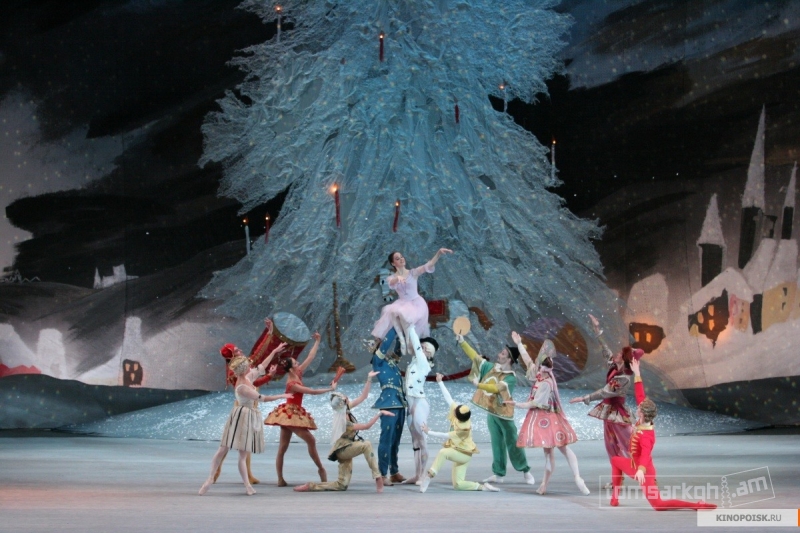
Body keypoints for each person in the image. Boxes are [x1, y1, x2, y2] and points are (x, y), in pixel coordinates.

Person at [609, 359, 716, 510]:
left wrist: (641, 470)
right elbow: (640, 395)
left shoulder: (646, 436)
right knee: (615, 460)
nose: (637, 408)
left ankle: (696, 505)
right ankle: (614, 498)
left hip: (644, 471)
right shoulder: (643, 421)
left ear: (643, 414)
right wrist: (637, 373)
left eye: (639, 409)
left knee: (658, 505)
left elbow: (645, 454)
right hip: (633, 466)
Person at [198, 349, 293, 496]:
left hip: (246, 415)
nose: (250, 366)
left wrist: (274, 351)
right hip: (242, 416)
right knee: (229, 450)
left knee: (235, 453)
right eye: (248, 365)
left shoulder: (247, 377)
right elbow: (262, 398)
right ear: (244, 369)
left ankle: (246, 485)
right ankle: (211, 478)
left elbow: (261, 367)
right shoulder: (242, 386)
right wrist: (282, 395)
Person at [506, 335, 589, 495]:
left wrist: (516, 404)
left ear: (543, 368)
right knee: (550, 452)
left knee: (560, 449)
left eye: (538, 365)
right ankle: (545, 484)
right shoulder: (540, 376)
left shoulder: (546, 383)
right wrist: (520, 344)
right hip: (544, 418)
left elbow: (534, 403)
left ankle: (577, 477)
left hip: (548, 419)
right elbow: (527, 360)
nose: (535, 366)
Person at [294, 371, 392, 493]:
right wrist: (380, 413)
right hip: (343, 450)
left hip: (347, 446)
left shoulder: (345, 409)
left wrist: (369, 378)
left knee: (341, 485)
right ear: (343, 402)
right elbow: (366, 426)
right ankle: (378, 477)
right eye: (344, 397)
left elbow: (363, 396)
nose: (346, 397)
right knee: (366, 445)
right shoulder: (344, 421)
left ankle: (311, 486)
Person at [458, 332, 534, 485]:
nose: (499, 354)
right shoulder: (492, 368)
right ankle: (498, 473)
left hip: (504, 415)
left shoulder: (510, 377)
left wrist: (479, 385)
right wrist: (462, 342)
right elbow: (475, 357)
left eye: (503, 353)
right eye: (501, 352)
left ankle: (525, 470)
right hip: (492, 413)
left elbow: (496, 388)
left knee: (513, 443)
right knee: (496, 443)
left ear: (509, 359)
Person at [264, 332, 337, 486]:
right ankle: (321, 469)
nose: (298, 364)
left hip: (291, 412)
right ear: (291, 369)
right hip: (291, 414)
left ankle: (280, 479)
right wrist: (330, 389)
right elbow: (311, 392)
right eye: (296, 363)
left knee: (283, 447)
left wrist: (317, 341)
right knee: (310, 440)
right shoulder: (292, 384)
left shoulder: (297, 373)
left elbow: (310, 357)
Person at [215, 318, 280, 485]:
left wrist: (269, 333)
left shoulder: (242, 365)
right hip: (242, 408)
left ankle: (248, 474)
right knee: (229, 442)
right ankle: (216, 469)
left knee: (244, 443)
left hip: (251, 405)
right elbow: (255, 378)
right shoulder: (235, 372)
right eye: (237, 350)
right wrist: (268, 377)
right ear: (232, 356)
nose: (241, 351)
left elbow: (259, 356)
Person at [569, 315, 637, 466]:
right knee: (611, 445)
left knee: (628, 442)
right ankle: (617, 474)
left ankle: (641, 469)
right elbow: (605, 350)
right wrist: (597, 329)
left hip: (618, 413)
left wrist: (584, 398)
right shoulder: (614, 366)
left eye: (620, 354)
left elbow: (605, 392)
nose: (616, 354)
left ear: (624, 360)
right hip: (608, 411)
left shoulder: (624, 378)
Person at [419, 374, 498, 493]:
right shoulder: (460, 413)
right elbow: (448, 398)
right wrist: (440, 382)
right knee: (458, 485)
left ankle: (429, 476)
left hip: (463, 454)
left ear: (458, 416)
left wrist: (428, 431)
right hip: (458, 451)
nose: (454, 409)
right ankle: (483, 487)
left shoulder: (463, 429)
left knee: (443, 452)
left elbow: (445, 435)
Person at [369, 248, 453, 355]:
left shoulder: (413, 273)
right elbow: (391, 283)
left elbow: (428, 265)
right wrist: (398, 278)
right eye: (397, 258)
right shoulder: (391, 278)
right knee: (391, 316)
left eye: (402, 257)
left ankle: (406, 349)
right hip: (402, 304)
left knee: (406, 323)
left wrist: (438, 253)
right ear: (393, 263)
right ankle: (379, 344)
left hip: (416, 305)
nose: (401, 259)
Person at [370, 328, 407, 486]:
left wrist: (401, 330)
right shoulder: (377, 362)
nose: (381, 343)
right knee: (386, 439)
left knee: (395, 439)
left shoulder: (391, 363)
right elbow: (386, 345)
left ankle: (394, 472)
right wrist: (394, 327)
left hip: (400, 403)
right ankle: (382, 473)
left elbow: (399, 349)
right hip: (388, 404)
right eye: (378, 342)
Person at [402, 329, 438, 484]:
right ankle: (417, 474)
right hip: (410, 404)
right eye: (421, 347)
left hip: (419, 403)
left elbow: (415, 344)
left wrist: (410, 327)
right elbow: (413, 345)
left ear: (429, 353)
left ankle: (423, 474)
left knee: (422, 440)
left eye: (424, 348)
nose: (420, 349)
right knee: (415, 442)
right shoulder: (415, 362)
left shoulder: (424, 363)